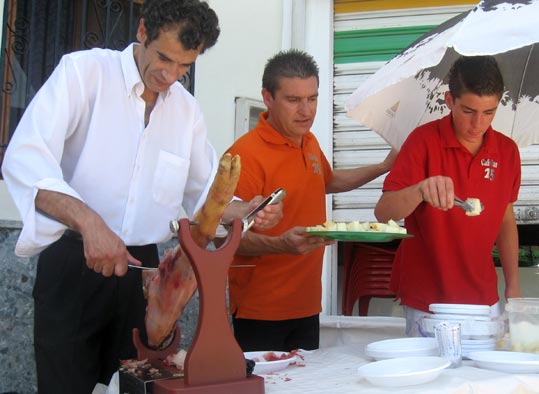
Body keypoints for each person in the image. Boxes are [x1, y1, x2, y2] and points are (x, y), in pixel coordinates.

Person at [1, 1, 280, 393]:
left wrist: (245, 210)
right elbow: (24, 159)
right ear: (143, 31)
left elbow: (204, 201)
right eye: (163, 58)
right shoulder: (83, 73)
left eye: (185, 66)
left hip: (146, 278)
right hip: (73, 261)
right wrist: (89, 221)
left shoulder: (186, 111)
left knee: (140, 386)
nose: (169, 75)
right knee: (64, 385)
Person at [226, 49, 397, 352]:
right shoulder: (245, 155)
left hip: (306, 305)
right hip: (261, 310)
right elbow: (229, 240)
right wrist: (282, 245)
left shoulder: (309, 141)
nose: (306, 111)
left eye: (312, 98)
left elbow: (327, 182)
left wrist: (383, 167)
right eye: (293, 100)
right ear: (268, 97)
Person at [374, 55, 522, 336]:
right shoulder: (423, 141)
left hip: (484, 299)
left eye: (489, 112)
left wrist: (512, 286)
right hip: (428, 300)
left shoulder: (507, 151)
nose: (478, 123)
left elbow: (505, 219)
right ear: (449, 100)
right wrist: (420, 190)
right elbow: (384, 211)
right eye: (468, 111)